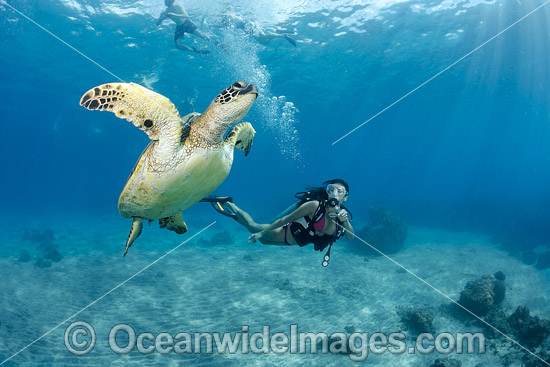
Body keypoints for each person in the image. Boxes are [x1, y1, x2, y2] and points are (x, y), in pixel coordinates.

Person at [205, 179, 354, 266]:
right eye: (331, 189)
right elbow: (285, 219)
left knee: (262, 241)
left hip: (293, 242)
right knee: (252, 226)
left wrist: (345, 221)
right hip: (282, 232)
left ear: (345, 197)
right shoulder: (314, 206)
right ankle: (230, 204)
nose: (334, 194)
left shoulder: (343, 217)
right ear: (327, 191)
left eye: (339, 191)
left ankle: (235, 215)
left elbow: (350, 237)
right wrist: (261, 233)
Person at [216, 8, 297, 47]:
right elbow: (219, 25)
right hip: (250, 25)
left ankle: (282, 35)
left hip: (249, 27)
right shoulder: (229, 20)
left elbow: (225, 19)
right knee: (264, 38)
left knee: (262, 38)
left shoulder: (229, 19)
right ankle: (281, 35)